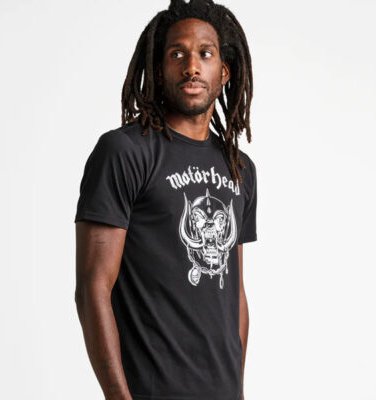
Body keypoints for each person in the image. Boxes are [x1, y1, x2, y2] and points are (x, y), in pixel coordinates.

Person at [74, 1, 257, 399]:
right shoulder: (125, 152)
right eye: (177, 54)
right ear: (159, 70)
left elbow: (236, 295)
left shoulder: (239, 168)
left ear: (224, 72)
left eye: (205, 54)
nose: (191, 67)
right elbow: (92, 288)